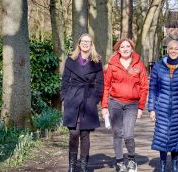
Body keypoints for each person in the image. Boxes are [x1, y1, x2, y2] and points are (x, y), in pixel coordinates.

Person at [101, 38, 149, 172]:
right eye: (122, 47)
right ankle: (120, 162)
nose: (125, 49)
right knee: (117, 134)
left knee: (128, 134)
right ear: (118, 49)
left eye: (128, 46)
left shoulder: (139, 65)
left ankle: (132, 160)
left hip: (132, 104)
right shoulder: (112, 64)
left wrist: (141, 107)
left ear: (132, 49)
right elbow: (106, 86)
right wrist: (104, 106)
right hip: (115, 102)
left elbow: (144, 87)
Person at [148, 40, 178, 172]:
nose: (173, 51)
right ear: (166, 50)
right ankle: (162, 166)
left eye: (176, 49)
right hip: (161, 109)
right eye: (171, 49)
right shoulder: (158, 67)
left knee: (176, 138)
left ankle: (175, 165)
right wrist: (151, 109)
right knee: (162, 138)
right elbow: (152, 89)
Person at [61, 33, 104, 172]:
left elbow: (100, 84)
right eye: (83, 41)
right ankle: (72, 165)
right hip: (72, 100)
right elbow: (64, 81)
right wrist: (65, 97)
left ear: (91, 45)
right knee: (73, 133)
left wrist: (94, 99)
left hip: (88, 100)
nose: (85, 44)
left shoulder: (96, 61)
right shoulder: (71, 60)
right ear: (79, 43)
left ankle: (84, 166)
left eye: (88, 42)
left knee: (85, 134)